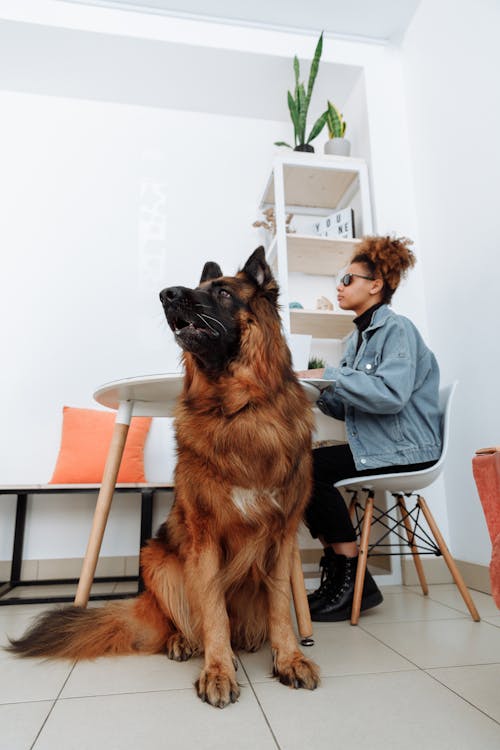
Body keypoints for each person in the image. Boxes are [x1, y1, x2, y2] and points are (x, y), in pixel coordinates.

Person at [301, 235, 442, 622]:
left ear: (375, 284)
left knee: (307, 469)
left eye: (347, 279)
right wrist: (313, 390)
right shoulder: (358, 340)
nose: (339, 287)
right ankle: (346, 579)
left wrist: (329, 374)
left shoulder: (397, 329)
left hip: (407, 450)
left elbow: (391, 396)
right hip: (383, 445)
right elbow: (354, 409)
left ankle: (349, 581)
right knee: (299, 465)